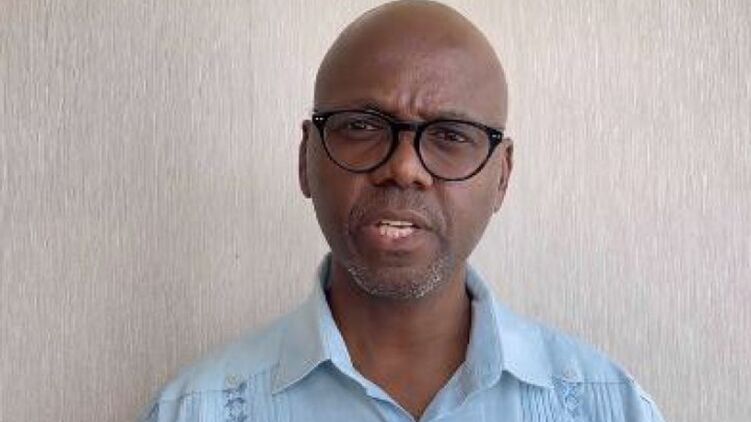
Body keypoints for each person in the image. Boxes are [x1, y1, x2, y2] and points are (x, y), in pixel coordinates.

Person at [141, 1, 665, 421]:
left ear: (502, 176)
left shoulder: (610, 408)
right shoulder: (196, 411)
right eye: (362, 127)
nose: (405, 168)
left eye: (450, 135)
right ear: (306, 159)